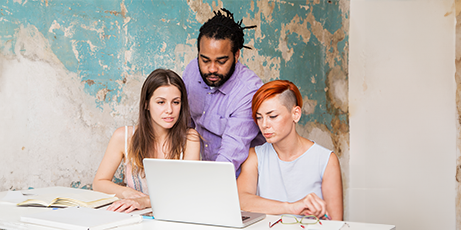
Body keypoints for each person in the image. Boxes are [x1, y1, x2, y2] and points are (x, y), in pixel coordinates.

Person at [93, 69, 201, 213]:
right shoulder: (123, 136)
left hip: (176, 217)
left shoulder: (190, 139)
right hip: (134, 218)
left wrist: (146, 201)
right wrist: (126, 193)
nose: (169, 110)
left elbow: (189, 191)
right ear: (146, 104)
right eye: (161, 102)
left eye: (176, 102)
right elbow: (99, 183)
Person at [236, 80, 343, 220]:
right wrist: (291, 207)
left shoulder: (326, 160)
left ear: (296, 114)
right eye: (259, 117)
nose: (264, 124)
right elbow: (240, 201)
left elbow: (336, 222)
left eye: (272, 116)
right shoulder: (254, 157)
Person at [183, 8, 263, 176]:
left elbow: (228, 160)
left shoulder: (249, 92)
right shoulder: (192, 71)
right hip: (204, 172)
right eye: (205, 60)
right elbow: (183, 127)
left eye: (221, 61)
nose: (211, 69)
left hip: (237, 180)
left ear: (236, 55)